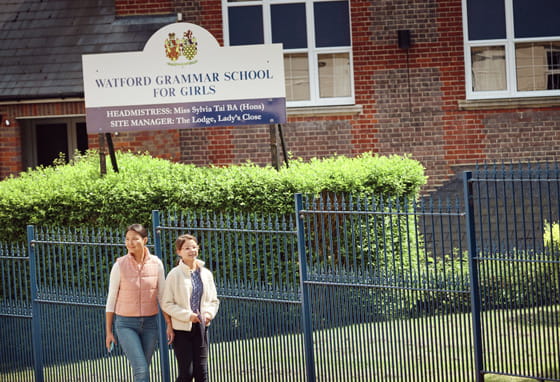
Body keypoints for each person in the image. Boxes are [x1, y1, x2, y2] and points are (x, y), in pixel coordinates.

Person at [105, 223, 173, 382]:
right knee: (141, 370)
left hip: (150, 324)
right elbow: (111, 300)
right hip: (126, 324)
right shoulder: (119, 265)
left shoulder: (157, 263)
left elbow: (162, 296)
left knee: (143, 369)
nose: (130, 243)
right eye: (127, 239)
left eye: (134, 239)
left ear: (145, 240)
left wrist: (169, 323)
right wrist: (108, 332)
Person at [162, 234, 220, 382]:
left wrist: (208, 314)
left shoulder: (206, 274)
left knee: (201, 373)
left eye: (194, 247)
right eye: (187, 248)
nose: (191, 250)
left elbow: (213, 300)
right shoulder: (174, 275)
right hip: (181, 330)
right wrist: (188, 316)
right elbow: (166, 303)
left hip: (201, 327)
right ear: (179, 252)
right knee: (186, 374)